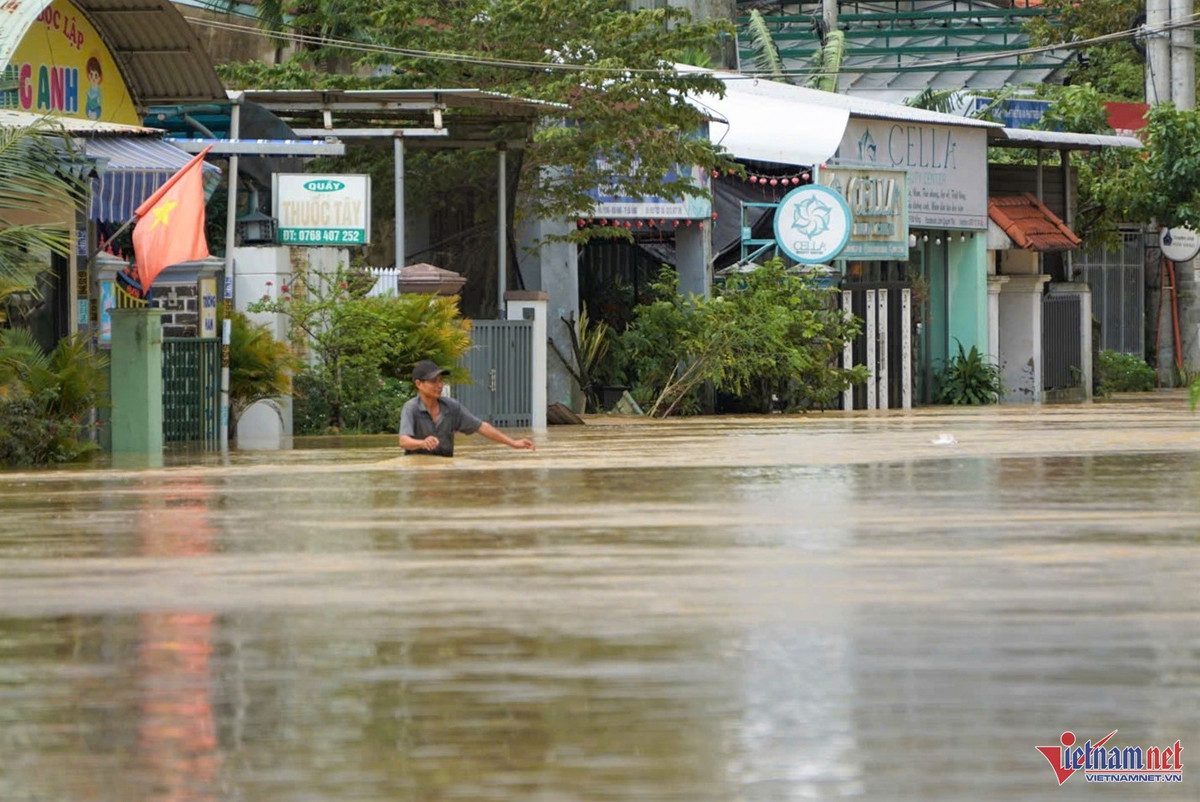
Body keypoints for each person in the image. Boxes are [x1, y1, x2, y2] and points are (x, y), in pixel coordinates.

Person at [398, 360, 536, 456]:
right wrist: (422, 443)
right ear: (418, 384)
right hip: (418, 470)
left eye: (441, 381)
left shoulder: (452, 407)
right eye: (434, 381)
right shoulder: (410, 408)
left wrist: (513, 443)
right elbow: (404, 441)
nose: (439, 385)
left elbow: (481, 427)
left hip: (445, 469)